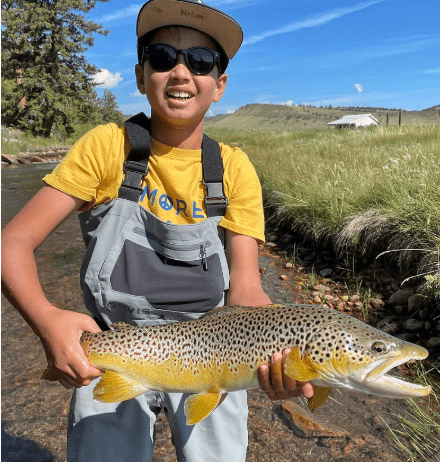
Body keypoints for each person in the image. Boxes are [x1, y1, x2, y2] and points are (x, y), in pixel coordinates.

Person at [1, 0, 314, 460]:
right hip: (116, 344)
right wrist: (48, 321)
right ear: (141, 76)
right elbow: (12, 243)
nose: (182, 72)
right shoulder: (108, 148)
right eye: (163, 57)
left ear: (219, 85)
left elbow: (246, 290)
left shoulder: (233, 168)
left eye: (201, 62)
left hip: (216, 348)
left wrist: (278, 354)